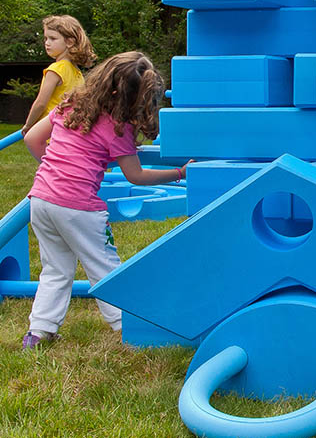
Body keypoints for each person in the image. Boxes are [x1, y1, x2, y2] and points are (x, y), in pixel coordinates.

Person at [20, 51, 189, 350]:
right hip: (79, 209)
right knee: (105, 268)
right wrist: (179, 173)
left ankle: (39, 331)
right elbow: (135, 175)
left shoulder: (69, 105)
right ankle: (129, 327)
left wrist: (55, 168)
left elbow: (32, 138)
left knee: (55, 268)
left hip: (42, 199)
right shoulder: (117, 127)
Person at [21, 15, 96, 135]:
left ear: (69, 42)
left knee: (31, 142)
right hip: (67, 130)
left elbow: (41, 103)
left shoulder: (55, 69)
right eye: (46, 38)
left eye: (53, 38)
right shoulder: (77, 73)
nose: (47, 43)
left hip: (49, 130)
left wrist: (29, 125)